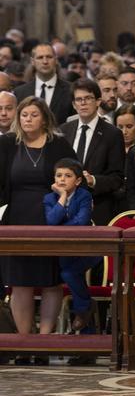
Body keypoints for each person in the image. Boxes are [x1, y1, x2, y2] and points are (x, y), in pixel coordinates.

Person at [0, 97, 76, 345]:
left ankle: (44, 341)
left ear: (44, 118)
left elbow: (75, 176)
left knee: (49, 281)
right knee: (20, 282)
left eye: (33, 115)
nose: (28, 119)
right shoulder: (8, 143)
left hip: (50, 217)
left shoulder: (58, 144)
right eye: (24, 115)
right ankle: (24, 342)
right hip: (16, 218)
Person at [45, 157, 100, 331]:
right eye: (58, 175)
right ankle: (85, 322)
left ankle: (84, 309)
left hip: (89, 249)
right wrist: (62, 197)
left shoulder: (84, 195)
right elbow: (51, 221)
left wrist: (61, 227)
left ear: (77, 181)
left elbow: (82, 222)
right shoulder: (49, 198)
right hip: (65, 249)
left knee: (69, 274)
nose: (61, 179)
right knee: (70, 275)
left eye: (67, 176)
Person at [60, 79, 125, 225]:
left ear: (97, 101)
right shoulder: (63, 130)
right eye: (79, 99)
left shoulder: (112, 134)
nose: (83, 103)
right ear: (73, 104)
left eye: (88, 98)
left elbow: (117, 178)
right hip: (66, 208)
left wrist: (93, 180)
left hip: (98, 209)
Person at [14, 43, 72, 123]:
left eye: (49, 57)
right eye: (40, 57)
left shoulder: (71, 90)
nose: (45, 61)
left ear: (56, 60)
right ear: (32, 61)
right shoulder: (20, 93)